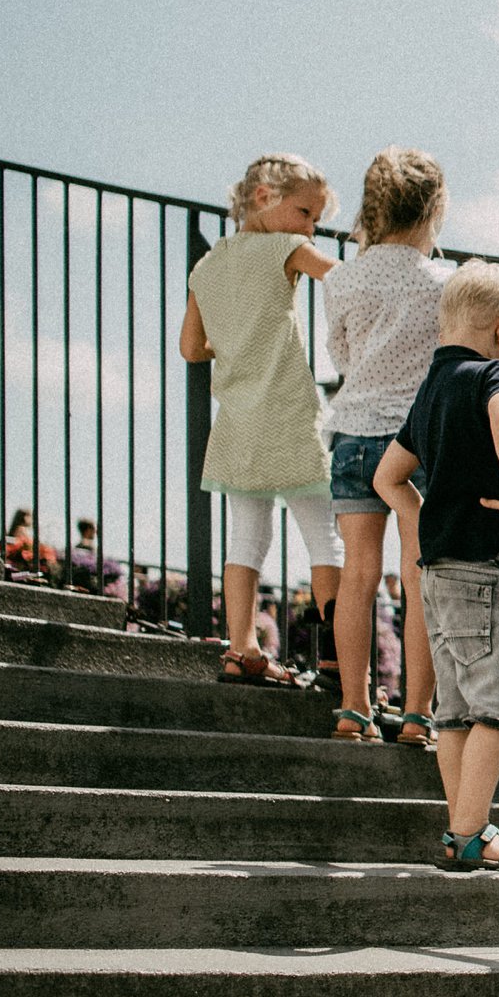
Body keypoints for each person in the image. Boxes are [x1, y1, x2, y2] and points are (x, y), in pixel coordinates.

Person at [373, 260, 499, 871]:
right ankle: (472, 832)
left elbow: (387, 477)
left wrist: (423, 518)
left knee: (453, 714)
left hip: (436, 572)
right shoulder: (494, 375)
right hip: (485, 568)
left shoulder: (431, 390)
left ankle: (462, 828)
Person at [181, 152, 342, 688]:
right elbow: (339, 277)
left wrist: (234, 340)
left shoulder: (206, 267)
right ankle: (338, 663)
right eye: (305, 212)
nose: (310, 227)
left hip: (239, 423)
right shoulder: (285, 247)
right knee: (325, 536)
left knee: (247, 538)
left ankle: (241, 649)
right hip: (289, 413)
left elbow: (192, 348)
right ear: (264, 197)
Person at [322, 147, 448, 746]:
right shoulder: (446, 283)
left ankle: (354, 707)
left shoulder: (342, 278)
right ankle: (418, 715)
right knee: (418, 575)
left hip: (353, 435)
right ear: (433, 210)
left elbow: (341, 355)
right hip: (416, 444)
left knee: (358, 574)